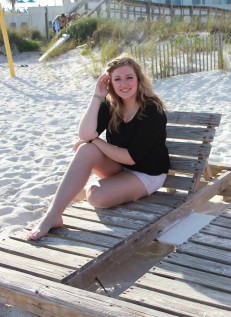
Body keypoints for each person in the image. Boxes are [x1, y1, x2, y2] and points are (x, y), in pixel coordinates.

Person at [27, 54, 170, 241]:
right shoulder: (112, 106)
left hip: (147, 174)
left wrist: (97, 141)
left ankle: (80, 189)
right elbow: (84, 135)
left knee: (96, 197)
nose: (123, 84)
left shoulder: (152, 110)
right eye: (117, 79)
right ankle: (52, 215)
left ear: (138, 80)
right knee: (85, 149)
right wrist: (97, 96)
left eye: (129, 77)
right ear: (110, 83)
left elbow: (131, 158)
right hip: (120, 167)